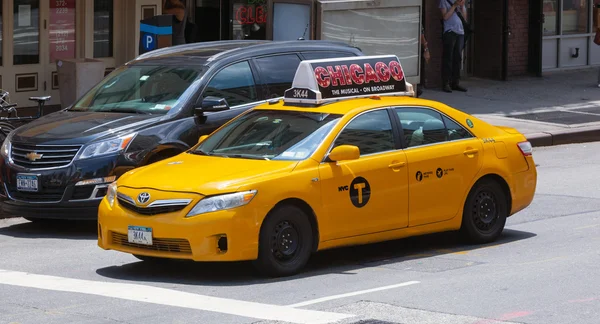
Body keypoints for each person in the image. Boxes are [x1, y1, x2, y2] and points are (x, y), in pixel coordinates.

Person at [439, 0, 467, 93]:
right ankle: (446, 83)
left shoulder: (459, 2)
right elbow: (445, 17)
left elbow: (465, 19)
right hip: (450, 32)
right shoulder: (444, 1)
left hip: (460, 32)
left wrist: (462, 7)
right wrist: (454, 6)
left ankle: (455, 82)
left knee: (457, 58)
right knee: (448, 58)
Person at [417, 26, 430, 97]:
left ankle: (418, 88)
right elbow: (422, 37)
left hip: (417, 48)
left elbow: (422, 37)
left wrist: (426, 49)